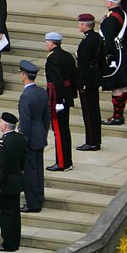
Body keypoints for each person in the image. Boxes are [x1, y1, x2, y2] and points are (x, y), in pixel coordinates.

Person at [17, 60, 50, 214]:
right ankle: (38, 197)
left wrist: (23, 142)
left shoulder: (26, 96)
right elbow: (46, 117)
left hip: (30, 138)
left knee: (30, 173)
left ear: (24, 76)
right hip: (40, 135)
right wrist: (43, 133)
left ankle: (32, 203)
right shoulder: (41, 92)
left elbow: (25, 122)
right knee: (38, 170)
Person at [44, 32, 77, 172]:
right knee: (64, 130)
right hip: (66, 96)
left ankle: (62, 162)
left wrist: (58, 101)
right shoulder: (67, 55)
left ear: (52, 43)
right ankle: (67, 160)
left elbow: (57, 81)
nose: (46, 44)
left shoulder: (53, 59)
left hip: (57, 97)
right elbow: (74, 76)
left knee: (59, 131)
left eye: (47, 42)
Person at [0, 112, 27, 252]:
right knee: (14, 213)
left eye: (0, 122)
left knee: (7, 214)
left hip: (7, 182)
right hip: (17, 179)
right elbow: (23, 161)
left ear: (5, 125)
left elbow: (0, 167)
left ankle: (9, 242)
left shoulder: (3, 143)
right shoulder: (20, 138)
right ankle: (15, 240)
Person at [100, 0, 127, 125]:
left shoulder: (110, 19)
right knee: (122, 86)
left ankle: (117, 116)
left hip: (114, 54)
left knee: (117, 86)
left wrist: (105, 55)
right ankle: (119, 115)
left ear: (110, 3)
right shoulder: (123, 14)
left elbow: (108, 41)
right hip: (122, 50)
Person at [76, 14, 104, 152]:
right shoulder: (97, 37)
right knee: (94, 111)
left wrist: (81, 84)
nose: (78, 26)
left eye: (80, 23)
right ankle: (95, 140)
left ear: (84, 25)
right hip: (95, 77)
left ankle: (91, 141)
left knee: (89, 112)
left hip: (88, 80)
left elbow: (84, 65)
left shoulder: (87, 42)